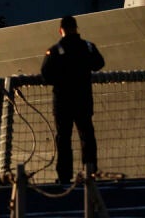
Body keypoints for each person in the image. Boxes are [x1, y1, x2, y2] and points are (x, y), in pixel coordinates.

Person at [41, 15, 105, 186]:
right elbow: (99, 64)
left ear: (60, 30)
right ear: (76, 28)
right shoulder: (88, 47)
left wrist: (62, 77)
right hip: (83, 99)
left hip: (63, 101)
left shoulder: (56, 50)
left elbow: (46, 75)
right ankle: (90, 171)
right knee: (87, 136)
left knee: (63, 139)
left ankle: (64, 176)